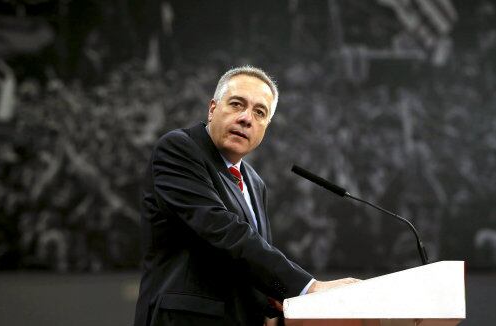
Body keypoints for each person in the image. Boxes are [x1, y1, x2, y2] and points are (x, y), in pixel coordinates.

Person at [134, 66, 358, 326]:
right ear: (212, 109)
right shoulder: (179, 149)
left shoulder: (254, 182)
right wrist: (307, 286)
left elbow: (244, 263)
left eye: (259, 112)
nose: (246, 118)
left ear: (265, 127)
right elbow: (223, 231)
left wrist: (276, 297)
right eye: (237, 104)